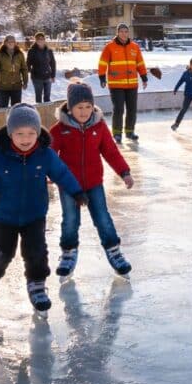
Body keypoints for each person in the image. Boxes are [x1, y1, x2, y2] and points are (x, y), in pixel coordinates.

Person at [0, 103, 87, 312]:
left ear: (38, 133)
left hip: (35, 215)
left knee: (37, 252)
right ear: (10, 133)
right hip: (4, 217)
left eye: (31, 133)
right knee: (0, 253)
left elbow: (62, 173)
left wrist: (76, 192)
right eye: (19, 133)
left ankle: (37, 285)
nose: (25, 138)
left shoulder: (45, 155)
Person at [50, 82, 134, 278]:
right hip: (69, 186)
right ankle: (69, 253)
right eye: (79, 107)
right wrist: (49, 175)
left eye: (88, 106)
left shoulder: (99, 126)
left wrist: (124, 172)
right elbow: (49, 156)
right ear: (70, 107)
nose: (84, 111)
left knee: (103, 218)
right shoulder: (60, 129)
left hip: (94, 183)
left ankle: (114, 251)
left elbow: (111, 152)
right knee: (70, 220)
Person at [98, 23, 148, 144]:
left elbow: (140, 63)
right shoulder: (109, 47)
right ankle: (117, 134)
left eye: (126, 31)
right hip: (116, 84)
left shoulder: (134, 47)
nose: (124, 33)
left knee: (132, 109)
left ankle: (130, 132)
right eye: (121, 31)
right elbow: (102, 63)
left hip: (132, 84)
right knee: (119, 109)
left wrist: (144, 77)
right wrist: (102, 77)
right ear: (117, 32)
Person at [0, 35, 28, 109]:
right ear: (5, 43)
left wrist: (25, 82)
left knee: (17, 109)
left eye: (13, 41)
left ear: (15, 43)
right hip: (3, 87)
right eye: (9, 41)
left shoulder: (20, 54)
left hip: (16, 86)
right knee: (3, 108)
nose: (11, 43)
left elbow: (24, 69)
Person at [26, 32, 57, 104]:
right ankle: (39, 113)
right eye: (38, 39)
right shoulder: (32, 51)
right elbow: (28, 63)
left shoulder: (49, 51)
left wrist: (53, 75)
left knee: (47, 97)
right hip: (37, 78)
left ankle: (47, 113)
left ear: (44, 40)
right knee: (38, 98)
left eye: (42, 39)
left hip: (47, 76)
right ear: (35, 40)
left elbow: (53, 63)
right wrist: (32, 71)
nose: (40, 40)